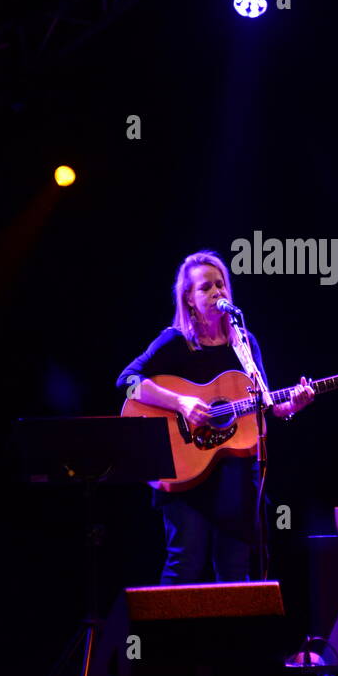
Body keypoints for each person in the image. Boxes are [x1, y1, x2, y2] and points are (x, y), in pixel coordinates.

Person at [115, 250, 314, 584]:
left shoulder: (245, 343)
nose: (217, 292)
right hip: (185, 473)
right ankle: (173, 637)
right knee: (185, 566)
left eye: (220, 284)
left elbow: (265, 403)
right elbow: (127, 382)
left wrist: (292, 405)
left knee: (236, 572)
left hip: (236, 475)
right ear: (189, 299)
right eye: (205, 287)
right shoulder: (174, 342)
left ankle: (232, 638)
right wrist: (180, 402)